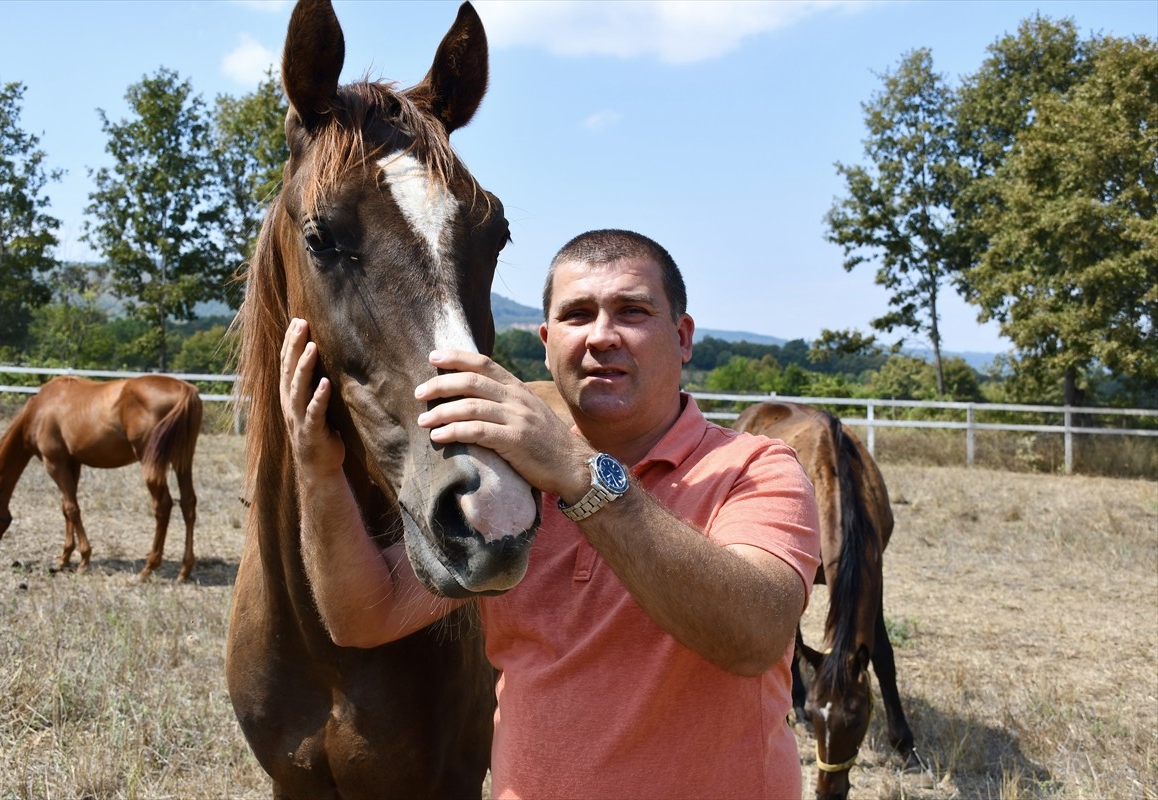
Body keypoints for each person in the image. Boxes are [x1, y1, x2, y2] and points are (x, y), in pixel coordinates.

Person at [281, 229, 821, 799]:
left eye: (633, 311)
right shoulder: (514, 484)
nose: (602, 336)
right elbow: (364, 617)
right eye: (577, 315)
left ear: (683, 337)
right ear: (546, 342)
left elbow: (754, 637)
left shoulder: (755, 468)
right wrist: (319, 473)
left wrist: (577, 472)